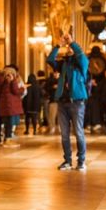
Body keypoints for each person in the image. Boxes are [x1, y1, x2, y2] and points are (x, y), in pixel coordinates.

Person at [46, 32, 89, 171]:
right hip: (62, 102)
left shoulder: (81, 64)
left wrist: (72, 42)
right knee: (64, 134)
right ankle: (67, 161)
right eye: (68, 48)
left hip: (76, 101)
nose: (69, 49)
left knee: (78, 132)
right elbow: (50, 59)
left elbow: (81, 56)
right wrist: (59, 45)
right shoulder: (63, 64)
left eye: (72, 48)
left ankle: (81, 161)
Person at [0, 66, 25, 141]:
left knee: (6, 122)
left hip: (4, 105)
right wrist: (22, 89)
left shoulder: (2, 82)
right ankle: (8, 138)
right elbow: (16, 91)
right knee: (9, 123)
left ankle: (6, 137)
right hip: (11, 105)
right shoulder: (12, 81)